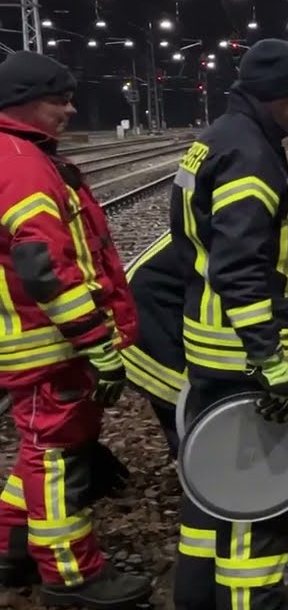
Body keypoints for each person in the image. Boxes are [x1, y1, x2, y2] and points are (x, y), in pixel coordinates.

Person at [168, 38, 288, 610]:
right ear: (275, 95)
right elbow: (239, 269)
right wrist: (271, 360)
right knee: (261, 502)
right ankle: (254, 602)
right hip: (244, 358)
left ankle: (198, 597)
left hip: (210, 347)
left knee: (214, 489)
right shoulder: (250, 156)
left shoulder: (216, 141)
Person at [0, 52, 152, 607]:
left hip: (37, 343)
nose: (71, 108)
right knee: (59, 457)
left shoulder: (20, 154)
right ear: (24, 102)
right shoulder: (21, 162)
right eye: (59, 98)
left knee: (39, 447)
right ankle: (72, 576)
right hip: (49, 346)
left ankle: (11, 546)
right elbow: (46, 267)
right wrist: (96, 342)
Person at [121, 166, 288, 459]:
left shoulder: (263, 223)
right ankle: (203, 483)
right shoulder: (253, 230)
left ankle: (212, 480)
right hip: (151, 317)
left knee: (203, 409)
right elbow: (246, 296)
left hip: (165, 305)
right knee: (189, 408)